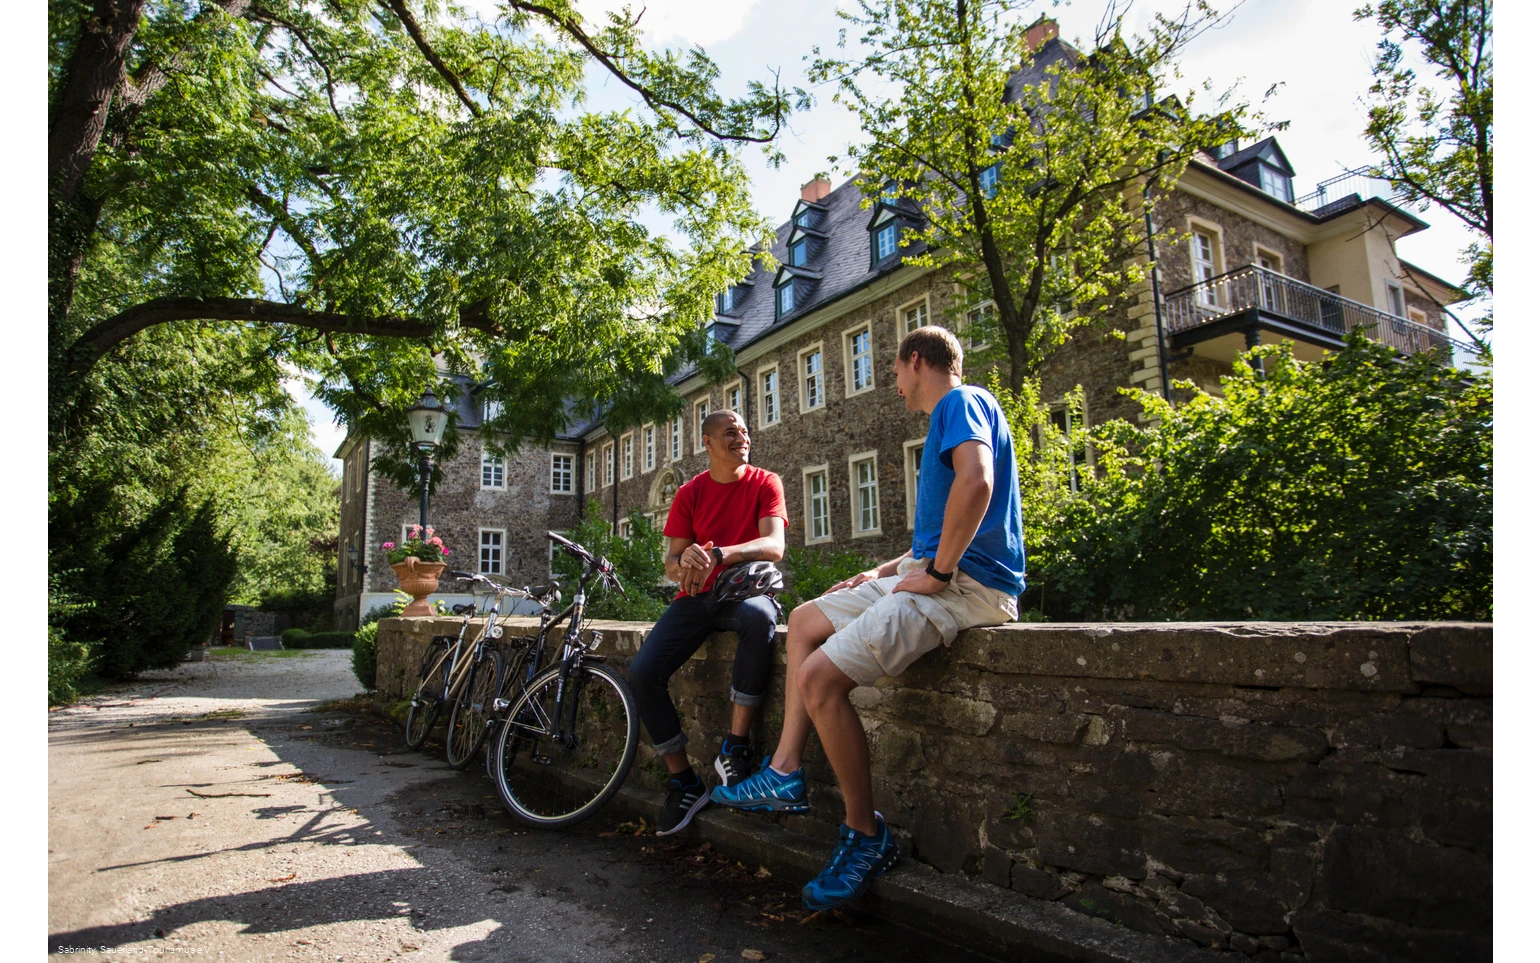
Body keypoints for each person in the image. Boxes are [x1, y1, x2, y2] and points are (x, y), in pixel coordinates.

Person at [712, 325, 1025, 911]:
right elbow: (942, 525)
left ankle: (865, 833)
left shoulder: (961, 400)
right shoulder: (952, 415)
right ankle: (784, 772)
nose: (895, 387)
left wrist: (933, 576)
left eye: (896, 373)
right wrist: (885, 571)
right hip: (933, 570)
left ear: (915, 360)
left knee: (819, 679)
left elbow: (978, 483)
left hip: (966, 586)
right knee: (804, 620)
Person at [629, 409, 788, 835]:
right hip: (697, 597)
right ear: (708, 443)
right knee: (643, 673)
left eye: (744, 431)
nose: (742, 438)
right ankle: (684, 781)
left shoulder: (766, 482)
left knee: (760, 617)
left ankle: (735, 748)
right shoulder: (690, 492)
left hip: (744, 593)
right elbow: (670, 563)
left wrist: (721, 553)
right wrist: (687, 560)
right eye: (730, 432)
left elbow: (775, 545)